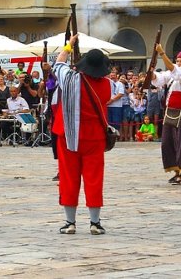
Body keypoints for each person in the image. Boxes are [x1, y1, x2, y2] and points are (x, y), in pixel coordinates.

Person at [52, 34, 111, 236]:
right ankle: (95, 222)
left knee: (69, 178)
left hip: (67, 135)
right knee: (94, 179)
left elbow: (58, 63)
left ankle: (70, 222)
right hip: (94, 136)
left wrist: (69, 46)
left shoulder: (69, 78)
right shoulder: (106, 85)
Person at [151, 46, 181, 185]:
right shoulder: (173, 71)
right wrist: (151, 74)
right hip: (170, 112)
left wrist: (162, 53)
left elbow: (176, 72)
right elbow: (160, 78)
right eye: (177, 60)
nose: (178, 63)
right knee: (168, 142)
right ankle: (175, 170)